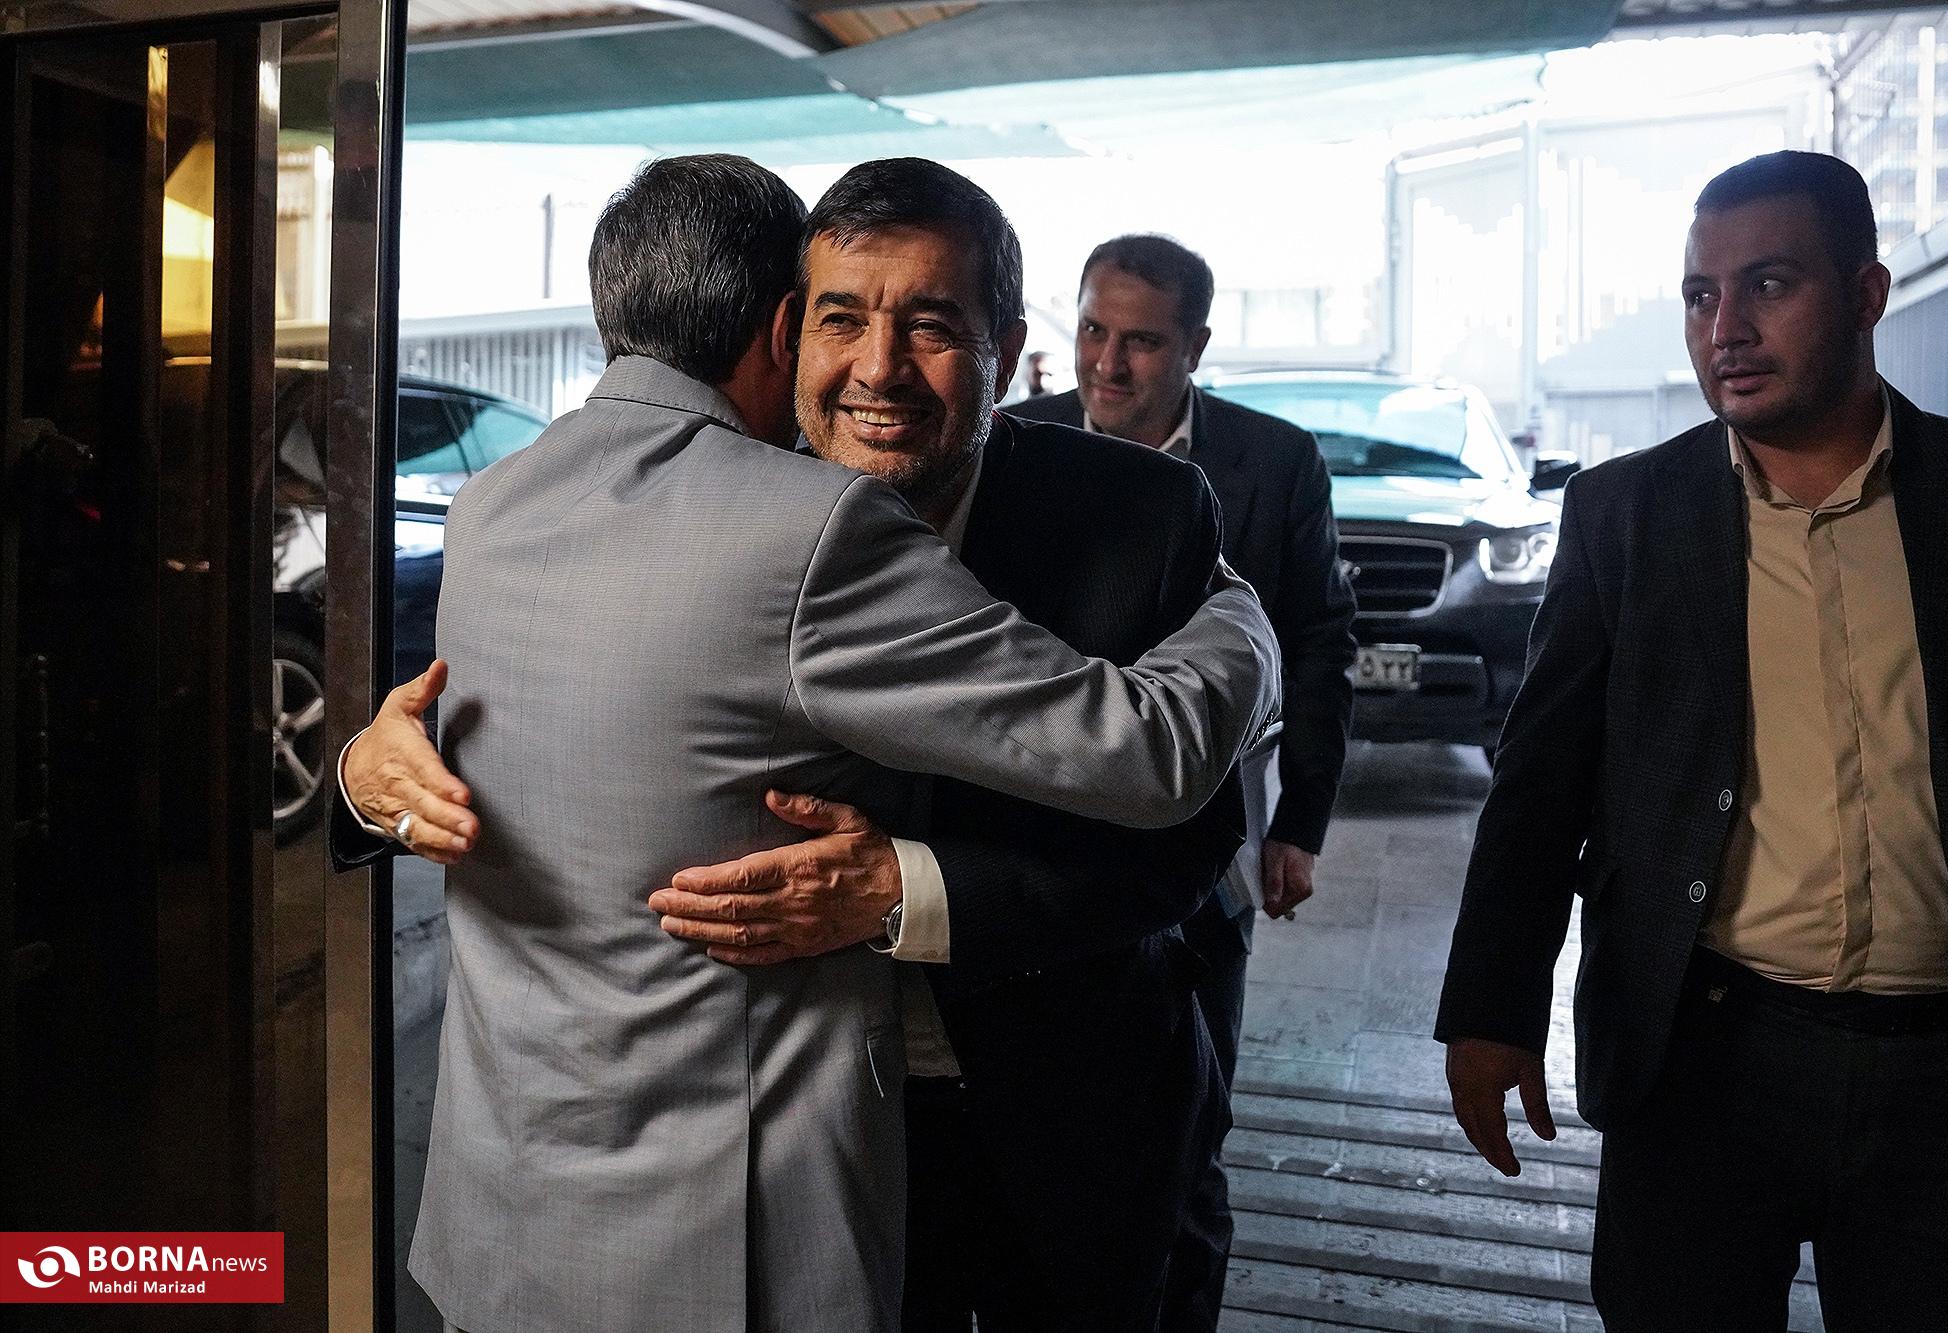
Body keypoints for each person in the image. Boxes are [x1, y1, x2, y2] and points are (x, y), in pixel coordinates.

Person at [333, 154, 1280, 1333]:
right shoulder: (712, 494)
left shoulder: (1136, 512)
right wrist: (365, 771)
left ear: (1004, 346)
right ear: (787, 331)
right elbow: (554, 705)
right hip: (785, 1169)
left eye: (931, 324)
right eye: (840, 319)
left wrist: (908, 892)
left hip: (1053, 1125)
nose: (878, 368)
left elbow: (1184, 838)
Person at [1434, 150, 1948, 1331]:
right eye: (1700, 295)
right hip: (1701, 1055)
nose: (1724, 328)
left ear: (1864, 293)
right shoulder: (1622, 515)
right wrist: (1490, 1006)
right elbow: (1539, 783)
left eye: (1768, 286)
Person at [1006, 232, 1356, 1320]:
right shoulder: (1013, 443)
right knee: (1035, 1136)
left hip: (1208, 851)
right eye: (1092, 331)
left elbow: (1318, 642)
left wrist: (1298, 823)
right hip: (1034, 851)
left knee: (1190, 1135)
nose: (1107, 364)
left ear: (1195, 347)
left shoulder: (1274, 461)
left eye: (1142, 343)